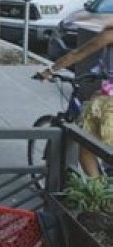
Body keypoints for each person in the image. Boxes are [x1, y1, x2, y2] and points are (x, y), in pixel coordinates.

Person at [38, 27, 113, 178]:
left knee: (85, 147)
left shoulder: (109, 34)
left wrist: (49, 71)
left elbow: (78, 53)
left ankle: (99, 190)